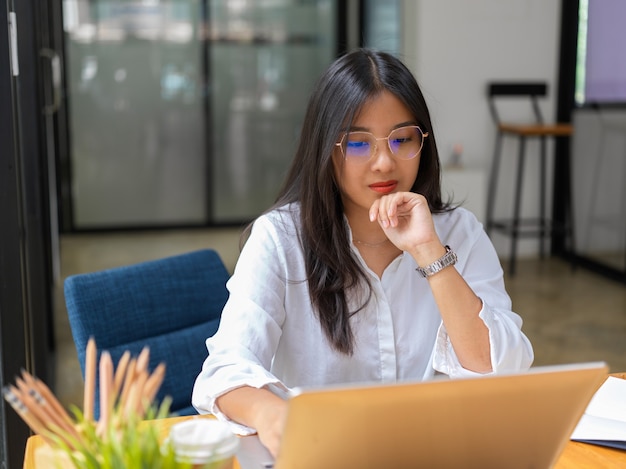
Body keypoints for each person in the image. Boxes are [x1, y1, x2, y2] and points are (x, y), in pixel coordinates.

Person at [192, 48, 534, 456]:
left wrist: (429, 252)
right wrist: (274, 417)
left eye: (402, 139)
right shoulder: (280, 240)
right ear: (326, 149)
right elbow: (224, 370)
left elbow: (501, 370)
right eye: (358, 143)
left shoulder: (459, 233)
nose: (384, 163)